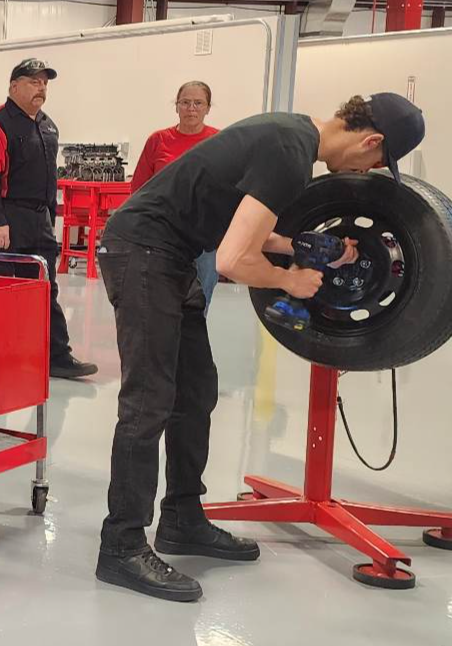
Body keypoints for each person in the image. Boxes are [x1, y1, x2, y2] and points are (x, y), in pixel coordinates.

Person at [94, 94, 425, 603]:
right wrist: (290, 282)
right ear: (370, 140)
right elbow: (232, 259)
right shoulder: (289, 152)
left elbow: (252, 228)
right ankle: (121, 545)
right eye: (376, 162)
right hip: (142, 251)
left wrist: (309, 247)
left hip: (171, 255)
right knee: (149, 400)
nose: (367, 169)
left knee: (196, 392)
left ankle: (182, 518)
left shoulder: (291, 136)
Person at [0, 58, 97, 380]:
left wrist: (49, 216)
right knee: (1, 292)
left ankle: (57, 357)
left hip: (39, 218)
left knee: (44, 288)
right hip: (4, 217)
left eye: (44, 83)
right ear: (14, 86)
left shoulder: (47, 124)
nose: (40, 88)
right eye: (33, 81)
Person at [131, 81, 220, 311]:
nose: (191, 108)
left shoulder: (219, 141)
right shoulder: (158, 141)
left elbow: (228, 188)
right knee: (161, 297)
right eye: (185, 102)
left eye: (198, 103)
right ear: (176, 106)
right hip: (164, 234)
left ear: (208, 107)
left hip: (203, 235)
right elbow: (139, 188)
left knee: (201, 297)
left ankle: (192, 344)